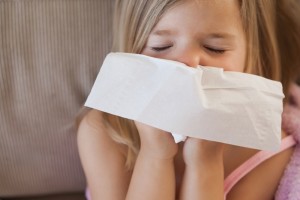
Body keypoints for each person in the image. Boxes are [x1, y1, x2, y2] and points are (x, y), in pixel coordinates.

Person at [77, 0, 300, 199]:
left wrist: (206, 161)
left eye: (215, 49)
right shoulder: (104, 132)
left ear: (252, 53)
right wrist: (156, 153)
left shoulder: (269, 152)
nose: (188, 63)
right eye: (161, 47)